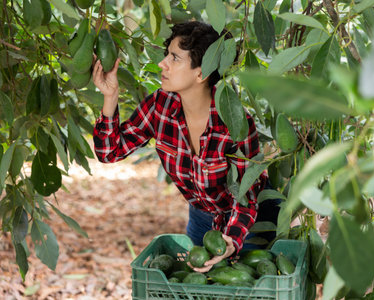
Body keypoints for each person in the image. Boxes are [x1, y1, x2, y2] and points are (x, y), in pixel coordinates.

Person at [91, 21, 279, 273]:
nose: (162, 63)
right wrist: (110, 97)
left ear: (200, 74)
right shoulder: (160, 106)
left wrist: (231, 241)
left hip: (251, 224)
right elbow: (109, 152)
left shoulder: (234, 122)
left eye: (175, 58)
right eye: (167, 54)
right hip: (202, 220)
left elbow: (246, 196)